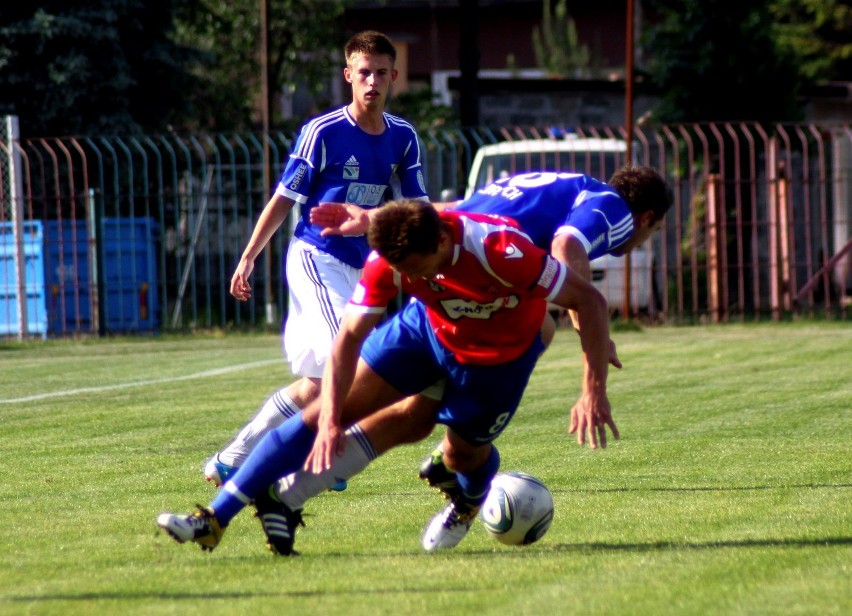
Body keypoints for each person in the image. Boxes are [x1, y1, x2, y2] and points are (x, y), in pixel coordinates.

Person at [200, 166, 672, 556]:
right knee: (390, 407)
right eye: (652, 230)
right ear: (648, 216)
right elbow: (567, 247)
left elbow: (445, 216)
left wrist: (371, 219)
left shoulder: (559, 186)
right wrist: (585, 320)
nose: (642, 238)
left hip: (454, 282)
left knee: (415, 418)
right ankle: (273, 486)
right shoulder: (614, 206)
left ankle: (293, 492)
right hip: (462, 283)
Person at [204, 30, 428, 490]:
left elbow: (419, 210)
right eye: (363, 73)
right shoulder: (323, 131)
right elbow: (284, 199)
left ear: (394, 77)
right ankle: (326, 451)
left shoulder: (403, 138)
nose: (372, 82)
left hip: (364, 269)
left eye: (381, 73)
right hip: (316, 258)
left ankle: (231, 457)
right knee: (348, 364)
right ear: (348, 75)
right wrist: (247, 258)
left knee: (314, 383)